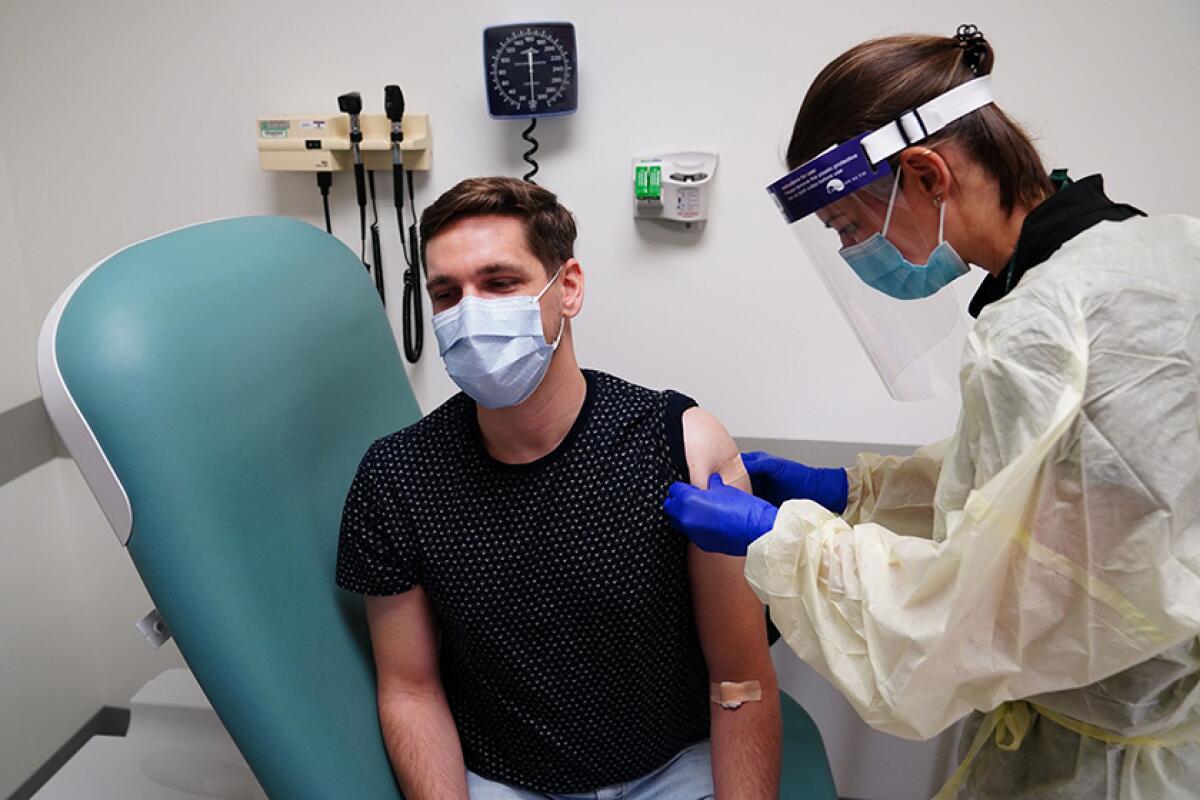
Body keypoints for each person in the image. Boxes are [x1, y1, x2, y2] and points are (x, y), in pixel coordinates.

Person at [664, 25, 1200, 800]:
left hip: (1122, 765)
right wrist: (860, 494)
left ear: (926, 173)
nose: (854, 252)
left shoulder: (1044, 330)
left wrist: (785, 544)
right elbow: (1078, 500)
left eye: (849, 226)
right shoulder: (1161, 254)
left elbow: (964, 624)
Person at [336, 177, 781, 799]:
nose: (469, 313)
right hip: (503, 780)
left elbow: (740, 678)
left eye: (499, 283)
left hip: (672, 772)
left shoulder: (679, 445)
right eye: (446, 294)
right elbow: (410, 689)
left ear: (567, 287)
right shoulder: (397, 479)